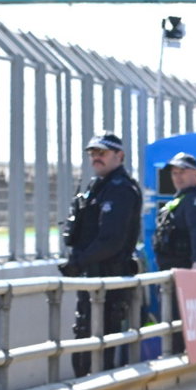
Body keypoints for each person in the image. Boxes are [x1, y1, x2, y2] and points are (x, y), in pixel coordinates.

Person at [60, 131, 142, 376]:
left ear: (120, 156)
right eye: (93, 153)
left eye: (102, 153)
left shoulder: (121, 189)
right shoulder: (98, 186)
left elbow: (111, 240)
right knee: (84, 339)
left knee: (100, 342)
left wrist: (78, 261)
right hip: (93, 277)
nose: (96, 157)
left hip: (109, 278)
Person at [152, 152, 196, 272]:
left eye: (182, 172)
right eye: (175, 173)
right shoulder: (182, 198)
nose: (178, 177)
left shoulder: (194, 199)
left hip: (185, 270)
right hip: (173, 268)